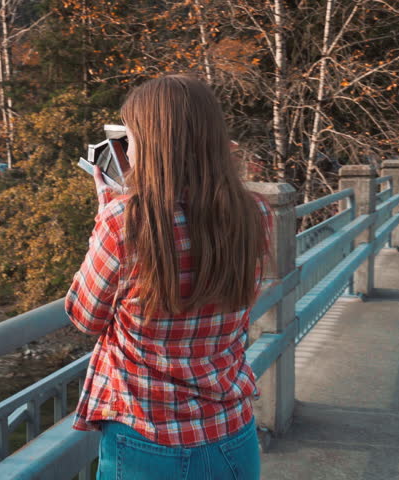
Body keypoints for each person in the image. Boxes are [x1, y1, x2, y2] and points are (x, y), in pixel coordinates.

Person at [65, 75, 272, 480]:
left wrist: (109, 205)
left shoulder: (123, 222)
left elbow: (84, 316)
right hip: (231, 432)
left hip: (147, 439)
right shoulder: (254, 213)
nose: (130, 151)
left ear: (153, 145)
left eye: (133, 139)